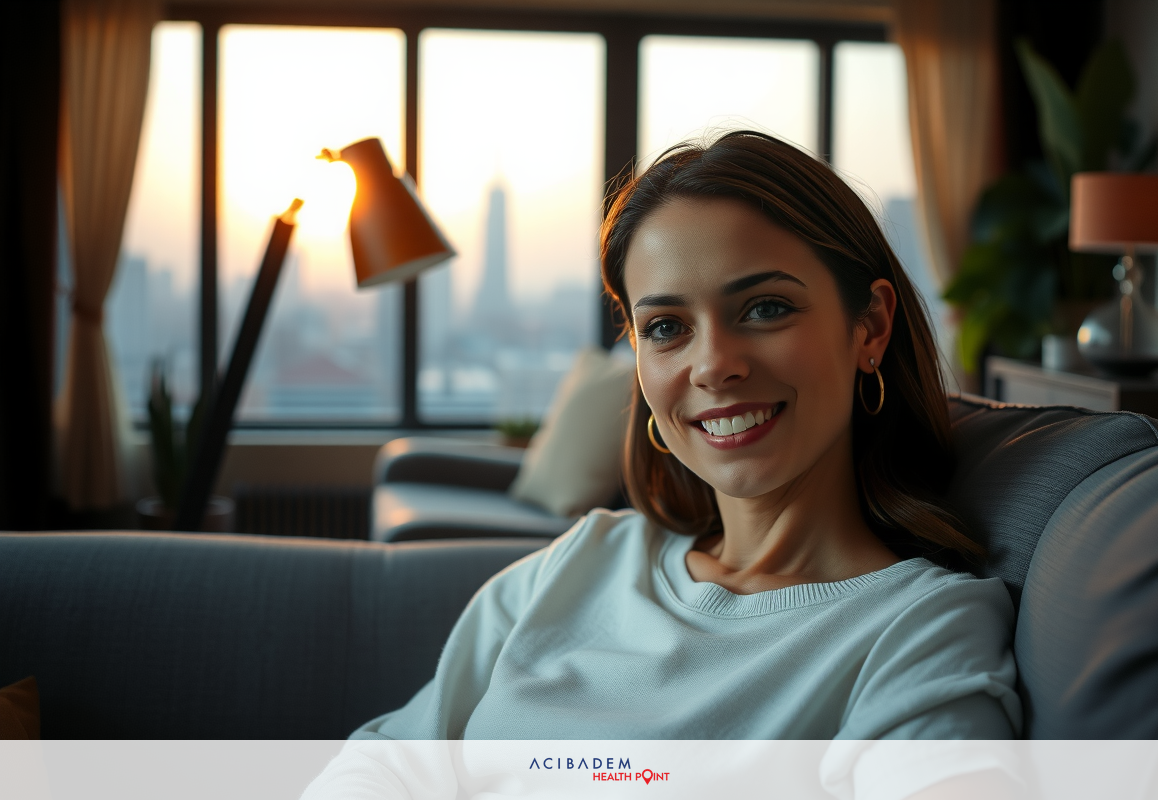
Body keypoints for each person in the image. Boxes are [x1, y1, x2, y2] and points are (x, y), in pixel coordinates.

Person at [306, 133, 1021, 794]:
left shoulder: (919, 631)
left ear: (870, 326)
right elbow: (388, 757)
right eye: (668, 328)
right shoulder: (582, 563)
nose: (713, 365)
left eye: (766, 308)